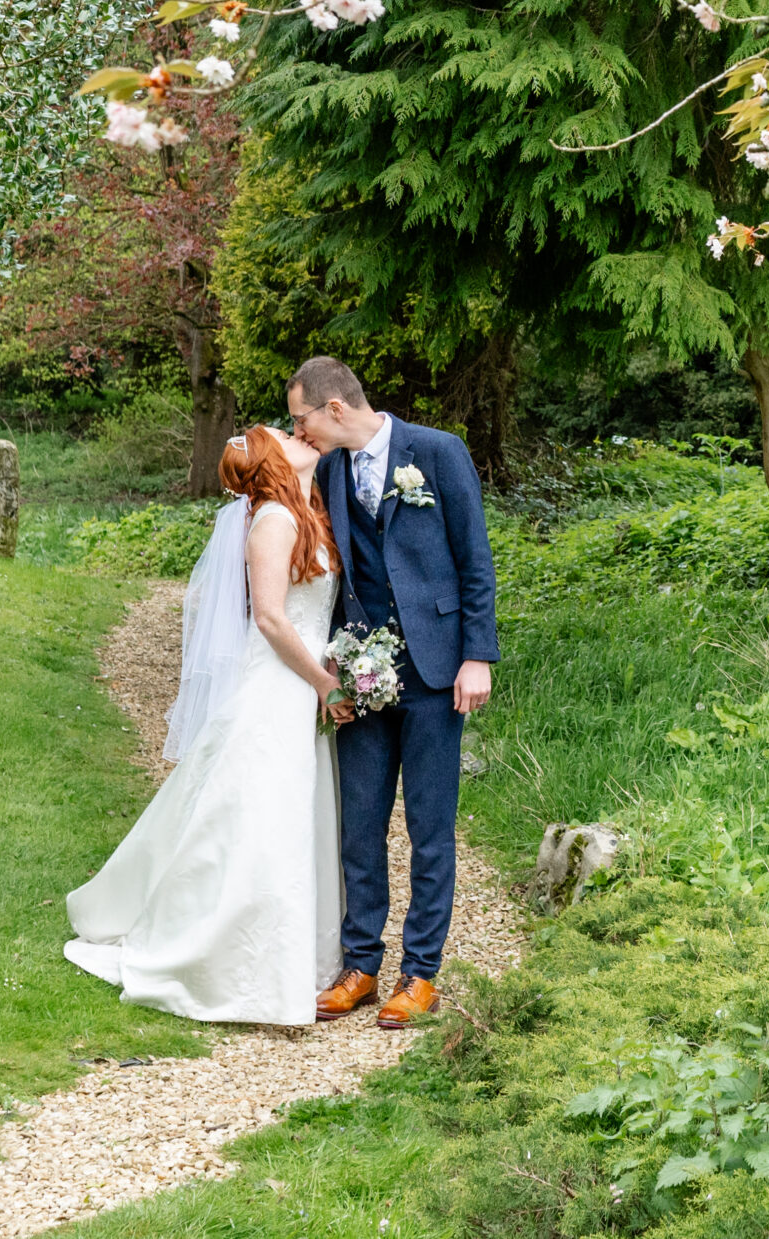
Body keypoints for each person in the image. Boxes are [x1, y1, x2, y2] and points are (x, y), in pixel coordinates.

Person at [62, 426, 343, 1024]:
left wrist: (333, 662)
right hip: (277, 684)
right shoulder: (272, 522)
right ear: (273, 462)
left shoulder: (306, 512)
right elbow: (269, 618)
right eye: (285, 436)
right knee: (260, 816)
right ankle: (234, 962)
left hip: (302, 679)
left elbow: (309, 610)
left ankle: (294, 956)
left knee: (290, 812)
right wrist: (323, 681)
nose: (299, 437)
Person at [287, 357, 497, 1030]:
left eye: (303, 418)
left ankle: (420, 973)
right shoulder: (329, 470)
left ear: (336, 409)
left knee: (430, 830)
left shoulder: (436, 453)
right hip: (361, 675)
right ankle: (361, 966)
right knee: (361, 826)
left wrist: (476, 655)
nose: (300, 430)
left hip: (437, 673)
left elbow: (475, 559)